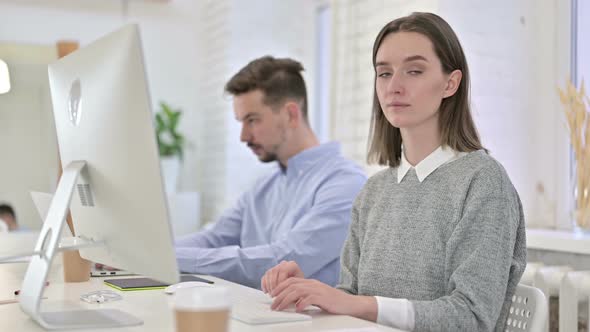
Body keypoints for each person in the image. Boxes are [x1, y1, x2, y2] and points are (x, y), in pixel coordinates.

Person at [261, 12, 526, 331]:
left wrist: (354, 304)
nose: (394, 87)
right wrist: (310, 294)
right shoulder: (373, 192)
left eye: (414, 71)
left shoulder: (483, 183)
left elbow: (471, 317)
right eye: (384, 73)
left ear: (450, 83)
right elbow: (353, 300)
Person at [175, 56, 367, 289]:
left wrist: (168, 259)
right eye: (241, 122)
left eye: (252, 120)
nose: (243, 136)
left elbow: (279, 260)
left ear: (290, 114)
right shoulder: (263, 187)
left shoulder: (346, 184)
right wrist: (153, 253)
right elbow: (214, 239)